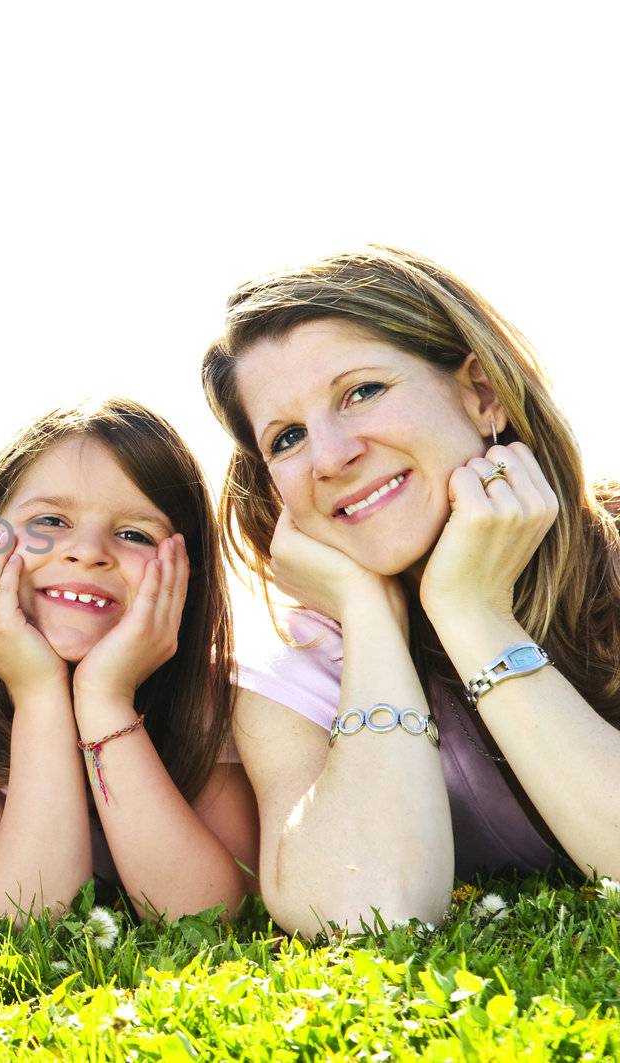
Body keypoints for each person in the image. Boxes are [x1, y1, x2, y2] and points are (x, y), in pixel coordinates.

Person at [202, 245, 620, 934]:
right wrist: (369, 612)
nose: (331, 456)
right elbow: (367, 911)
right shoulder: (296, 661)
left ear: (481, 393)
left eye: (362, 391)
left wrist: (471, 611)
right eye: (288, 438)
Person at [0, 399, 258, 923]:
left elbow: (206, 915)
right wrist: (38, 693)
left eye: (135, 534)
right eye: (51, 520)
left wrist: (106, 699)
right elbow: (24, 920)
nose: (88, 551)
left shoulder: (214, 689)